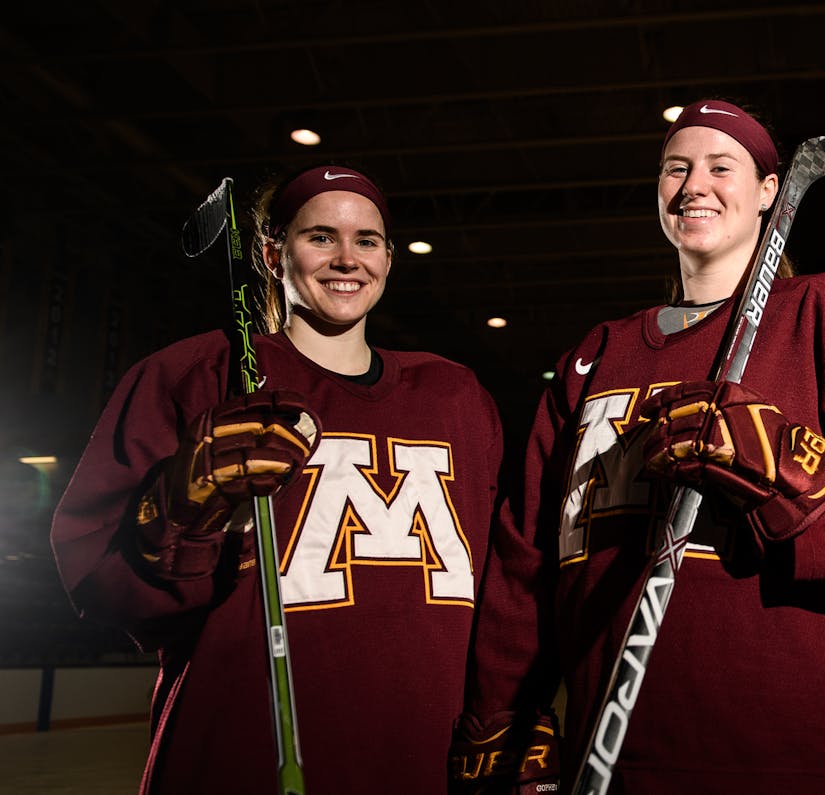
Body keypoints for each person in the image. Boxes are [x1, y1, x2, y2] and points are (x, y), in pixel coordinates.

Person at [448, 98, 825, 794]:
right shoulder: (593, 358)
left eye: (721, 166)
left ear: (768, 193)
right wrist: (504, 715)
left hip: (802, 761)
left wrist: (787, 467)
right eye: (676, 168)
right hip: (614, 759)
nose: (694, 185)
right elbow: (527, 560)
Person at [50, 164, 505, 794]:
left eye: (366, 241)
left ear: (389, 259)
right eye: (321, 237)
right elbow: (101, 582)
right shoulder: (194, 375)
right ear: (271, 254)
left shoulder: (454, 396)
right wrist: (180, 513)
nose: (347, 259)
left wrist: (508, 711)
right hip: (240, 757)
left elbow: (501, 582)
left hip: (418, 760)